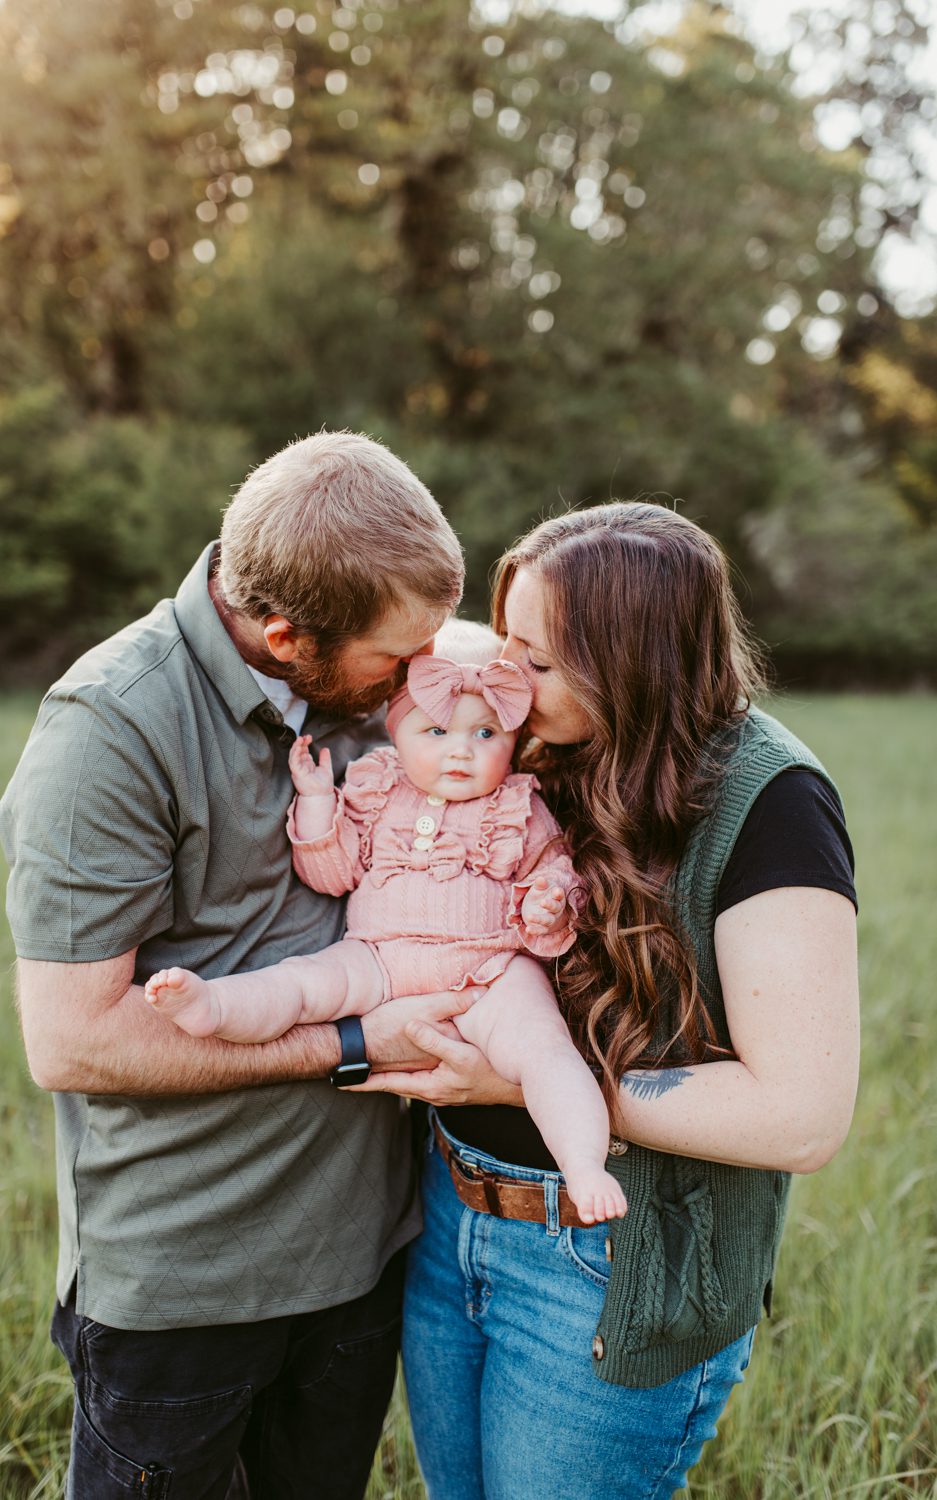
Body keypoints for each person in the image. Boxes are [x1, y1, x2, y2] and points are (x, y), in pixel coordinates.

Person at [0, 431, 468, 1499]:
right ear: (284, 632)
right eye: (398, 660)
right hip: (185, 1291)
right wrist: (350, 1044)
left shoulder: (369, 684)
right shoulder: (109, 728)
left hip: (360, 1268)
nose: (423, 681)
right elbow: (73, 1040)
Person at [353, 502, 860, 1499]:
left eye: (538, 664)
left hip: (605, 1267)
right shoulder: (530, 750)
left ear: (635, 660)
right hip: (451, 1222)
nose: (506, 686)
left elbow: (799, 1118)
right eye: (509, 649)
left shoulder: (770, 802)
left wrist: (525, 1082)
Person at [145, 648, 629, 1225]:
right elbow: (333, 873)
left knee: (545, 1050)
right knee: (300, 984)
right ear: (396, 733)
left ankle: (583, 1165)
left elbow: (554, 877)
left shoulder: (520, 806)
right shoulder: (376, 789)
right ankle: (215, 1004)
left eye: (485, 733)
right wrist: (321, 803)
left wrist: (550, 907)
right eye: (436, 731)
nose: (460, 750)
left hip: (490, 972)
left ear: (514, 742)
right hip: (377, 956)